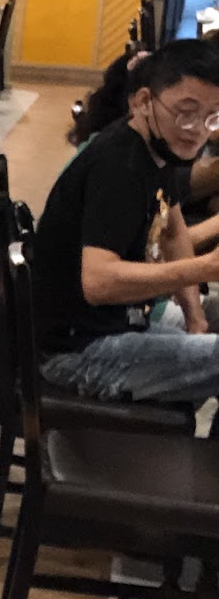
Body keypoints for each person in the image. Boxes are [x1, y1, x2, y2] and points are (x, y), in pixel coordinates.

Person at [33, 39, 219, 406]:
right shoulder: (119, 166)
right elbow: (98, 282)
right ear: (144, 101)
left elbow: (173, 231)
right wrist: (206, 267)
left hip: (116, 324)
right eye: (186, 113)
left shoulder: (158, 149)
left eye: (212, 117)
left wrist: (195, 317)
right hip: (76, 351)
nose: (198, 129)